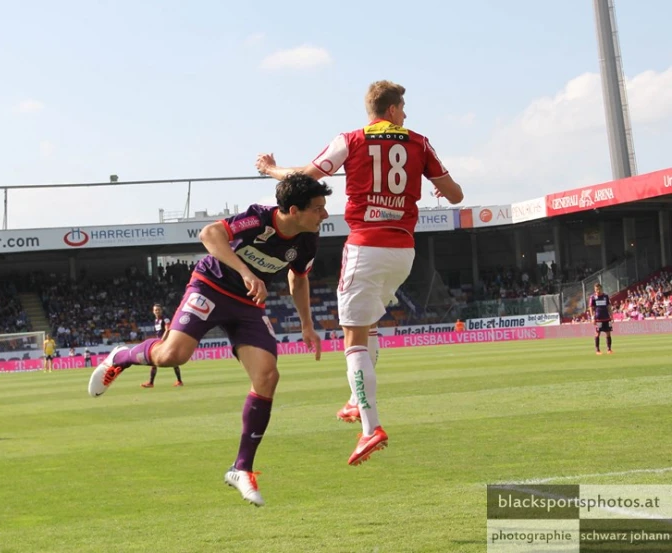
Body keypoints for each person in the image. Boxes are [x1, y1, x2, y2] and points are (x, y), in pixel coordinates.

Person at [88, 173, 330, 506]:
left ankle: (241, 468)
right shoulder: (259, 218)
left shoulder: (307, 240)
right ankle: (122, 357)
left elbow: (298, 279)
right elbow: (209, 233)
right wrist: (246, 272)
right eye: (318, 208)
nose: (325, 215)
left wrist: (307, 324)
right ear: (293, 209)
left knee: (268, 375)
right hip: (210, 286)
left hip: (248, 304)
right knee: (172, 355)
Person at [256, 80, 464, 466]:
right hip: (403, 251)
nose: (406, 114)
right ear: (391, 109)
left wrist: (271, 169)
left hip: (366, 246)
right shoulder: (419, 142)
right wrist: (433, 189)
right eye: (403, 107)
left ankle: (370, 428)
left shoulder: (350, 139)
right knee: (367, 327)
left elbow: (305, 176)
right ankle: (355, 401)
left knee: (352, 338)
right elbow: (456, 195)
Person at [141, 303, 183, 388]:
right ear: (153, 311)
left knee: (172, 360)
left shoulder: (165, 319)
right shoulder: (156, 321)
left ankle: (179, 381)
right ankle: (151, 382)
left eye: (158, 310)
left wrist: (162, 340)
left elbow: (167, 330)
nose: (157, 311)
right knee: (153, 361)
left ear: (161, 310)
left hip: (166, 341)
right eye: (155, 310)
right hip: (159, 341)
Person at [589, 283, 613, 354]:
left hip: (607, 318)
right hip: (598, 319)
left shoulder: (606, 296)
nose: (598, 291)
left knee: (608, 333)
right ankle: (597, 350)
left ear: (601, 288)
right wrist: (592, 317)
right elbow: (591, 308)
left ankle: (609, 349)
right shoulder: (593, 297)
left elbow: (608, 306)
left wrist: (611, 315)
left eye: (599, 289)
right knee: (597, 333)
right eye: (596, 289)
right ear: (594, 289)